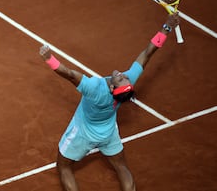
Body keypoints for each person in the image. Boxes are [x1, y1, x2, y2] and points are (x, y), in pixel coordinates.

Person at [39, 13, 180, 191]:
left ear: (113, 89)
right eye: (125, 79)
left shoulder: (94, 88)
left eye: (121, 79)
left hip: (83, 133)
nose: (123, 75)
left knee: (64, 166)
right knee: (121, 166)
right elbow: (147, 53)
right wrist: (166, 28)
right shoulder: (126, 84)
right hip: (108, 134)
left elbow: (69, 74)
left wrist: (49, 59)